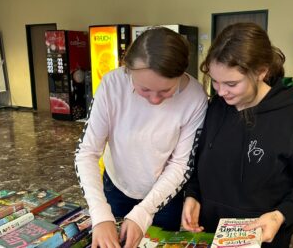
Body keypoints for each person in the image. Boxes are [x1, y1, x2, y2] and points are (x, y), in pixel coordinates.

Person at [181, 23, 293, 248]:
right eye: (215, 81)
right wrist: (193, 195)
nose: (221, 91)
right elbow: (200, 160)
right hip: (208, 233)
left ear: (261, 72)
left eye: (231, 83)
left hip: (262, 238)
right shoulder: (217, 107)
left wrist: (280, 215)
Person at [75, 27, 207, 248]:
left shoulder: (195, 97)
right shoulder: (111, 85)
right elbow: (87, 153)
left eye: (166, 91)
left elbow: (181, 164)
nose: (155, 100)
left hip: (165, 193)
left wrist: (145, 210)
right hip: (116, 186)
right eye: (144, 90)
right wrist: (100, 214)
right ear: (128, 70)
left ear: (181, 74)